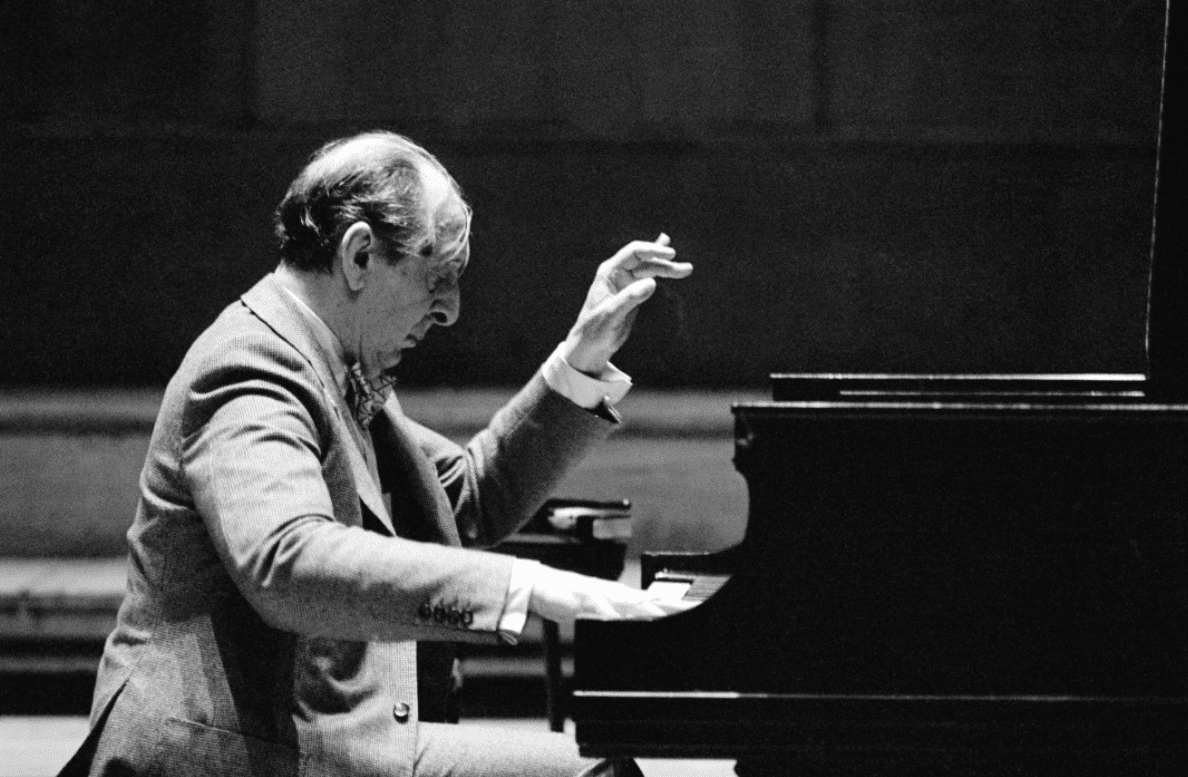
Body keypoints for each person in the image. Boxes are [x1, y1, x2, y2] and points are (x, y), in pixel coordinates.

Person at [59, 130, 693, 777]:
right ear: (360, 255)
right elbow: (287, 561)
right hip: (234, 751)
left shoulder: (335, 362)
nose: (450, 310)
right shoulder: (250, 365)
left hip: (322, 734)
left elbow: (464, 499)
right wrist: (524, 587)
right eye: (439, 277)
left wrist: (581, 359)